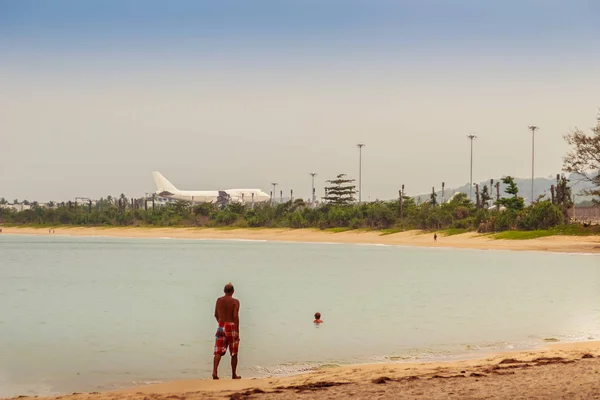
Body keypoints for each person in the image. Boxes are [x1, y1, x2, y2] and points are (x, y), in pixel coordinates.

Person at [212, 282, 241, 380]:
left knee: (218, 350)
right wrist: (237, 330)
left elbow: (216, 314)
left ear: (224, 291)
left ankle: (214, 371)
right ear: (233, 291)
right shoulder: (235, 302)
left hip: (221, 325)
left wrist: (221, 323)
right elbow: (235, 316)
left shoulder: (219, 300)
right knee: (234, 351)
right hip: (231, 325)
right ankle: (234, 374)